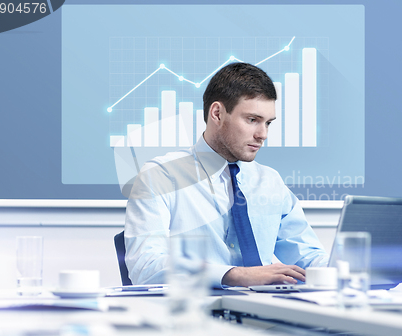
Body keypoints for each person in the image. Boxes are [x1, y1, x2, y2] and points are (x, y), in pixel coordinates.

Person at [124, 62, 327, 287]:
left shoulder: (270, 182)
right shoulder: (161, 176)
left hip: (267, 312)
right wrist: (234, 275)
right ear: (217, 113)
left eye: (268, 123)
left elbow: (307, 256)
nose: (263, 135)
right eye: (252, 120)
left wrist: (353, 267)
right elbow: (145, 266)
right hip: (195, 313)